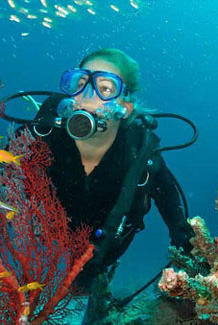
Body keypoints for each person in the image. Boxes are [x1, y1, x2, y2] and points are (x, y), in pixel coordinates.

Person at [27, 48, 196, 293]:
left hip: (107, 245)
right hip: (47, 240)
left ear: (124, 107)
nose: (86, 95)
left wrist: (188, 251)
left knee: (89, 284)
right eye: (81, 82)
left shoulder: (139, 152)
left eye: (105, 88)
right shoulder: (45, 133)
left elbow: (170, 202)